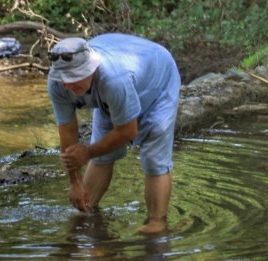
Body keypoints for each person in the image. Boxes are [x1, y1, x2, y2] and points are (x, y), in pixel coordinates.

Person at [47, 33, 181, 234]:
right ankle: (86, 213)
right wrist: (74, 183)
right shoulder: (57, 84)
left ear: (90, 69)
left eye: (74, 78)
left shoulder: (114, 79)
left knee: (154, 159)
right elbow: (67, 131)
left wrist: (88, 152)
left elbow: (128, 131)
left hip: (157, 84)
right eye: (64, 79)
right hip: (114, 94)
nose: (68, 85)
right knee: (103, 154)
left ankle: (157, 224)